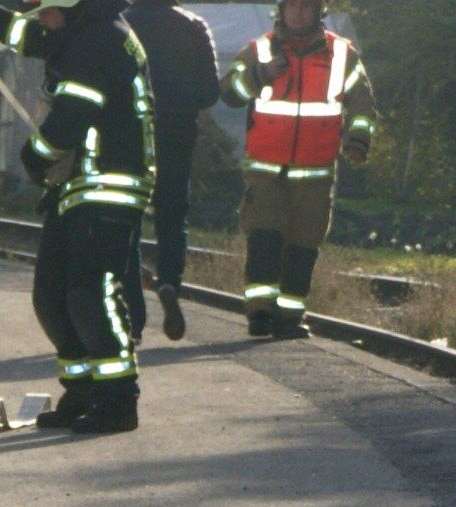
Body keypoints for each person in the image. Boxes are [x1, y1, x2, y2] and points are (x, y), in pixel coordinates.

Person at [0, 0, 152, 434]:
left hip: (109, 181)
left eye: (46, 10)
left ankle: (117, 400)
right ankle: (82, 391)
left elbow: (73, 114)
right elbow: (20, 33)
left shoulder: (100, 39)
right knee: (52, 295)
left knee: (89, 293)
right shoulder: (75, 32)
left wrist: (34, 155)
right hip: (78, 183)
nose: (41, 19)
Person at [224, 0, 372, 339]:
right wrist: (260, 75)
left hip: (315, 175)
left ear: (318, 12)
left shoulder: (341, 54)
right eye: (293, 7)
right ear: (282, 11)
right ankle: (260, 314)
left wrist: (357, 141)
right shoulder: (259, 50)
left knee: (303, 247)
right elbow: (228, 92)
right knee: (263, 238)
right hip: (265, 171)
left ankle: (290, 318)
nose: (299, 13)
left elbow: (362, 104)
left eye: (306, 7)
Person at [127, 0, 216, 339]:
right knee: (173, 216)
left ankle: (133, 314)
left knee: (129, 219)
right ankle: (168, 282)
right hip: (177, 136)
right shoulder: (194, 26)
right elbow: (210, 93)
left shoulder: (122, 23)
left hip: (132, 135)